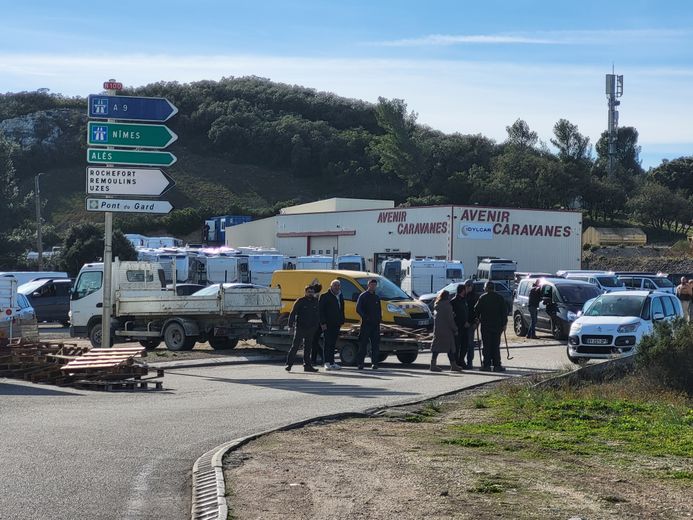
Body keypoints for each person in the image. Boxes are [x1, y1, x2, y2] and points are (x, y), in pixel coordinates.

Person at [474, 281, 508, 372]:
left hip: (486, 326)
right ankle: (497, 365)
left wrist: (477, 318)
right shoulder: (499, 298)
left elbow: (476, 310)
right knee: (495, 346)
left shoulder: (483, 298)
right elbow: (504, 312)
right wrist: (504, 324)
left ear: (486, 288)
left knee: (486, 346)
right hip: (497, 326)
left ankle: (486, 365)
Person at [285, 285, 320, 372]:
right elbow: (293, 313)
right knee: (295, 346)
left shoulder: (316, 301)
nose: (310, 293)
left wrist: (316, 325)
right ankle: (289, 365)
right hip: (300, 328)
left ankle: (307, 366)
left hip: (311, 328)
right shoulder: (300, 301)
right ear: (305, 292)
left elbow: (318, 314)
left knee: (308, 348)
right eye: (309, 292)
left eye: (312, 292)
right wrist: (290, 326)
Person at [431, 290, 463, 372]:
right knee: (450, 348)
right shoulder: (447, 306)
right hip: (447, 330)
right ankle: (453, 365)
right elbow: (450, 320)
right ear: (447, 297)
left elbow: (440, 316)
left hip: (438, 330)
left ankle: (433, 364)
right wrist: (455, 329)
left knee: (436, 348)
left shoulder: (437, 304)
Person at [319, 279, 345, 370]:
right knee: (327, 343)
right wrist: (322, 323)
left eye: (338, 285)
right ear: (331, 286)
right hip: (327, 324)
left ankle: (332, 362)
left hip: (336, 324)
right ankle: (326, 362)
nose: (337, 287)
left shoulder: (340, 295)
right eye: (335, 285)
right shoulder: (325, 296)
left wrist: (342, 321)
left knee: (333, 343)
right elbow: (320, 311)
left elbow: (341, 309)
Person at [356, 278, 382, 370]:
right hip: (366, 325)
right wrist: (365, 317)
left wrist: (379, 319)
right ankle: (360, 363)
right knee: (363, 344)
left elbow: (379, 310)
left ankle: (374, 363)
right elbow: (358, 309)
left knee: (375, 345)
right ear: (368, 285)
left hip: (375, 325)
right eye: (372, 285)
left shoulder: (376, 297)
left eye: (375, 285)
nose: (373, 286)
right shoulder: (363, 296)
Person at [449, 284, 470, 367]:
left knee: (465, 345)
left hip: (465, 327)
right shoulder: (454, 301)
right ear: (462, 290)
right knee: (457, 345)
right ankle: (456, 362)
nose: (466, 291)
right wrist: (462, 322)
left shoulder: (464, 300)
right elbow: (453, 315)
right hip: (458, 327)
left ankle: (461, 360)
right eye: (465, 289)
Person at [464, 279, 479, 369]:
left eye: (469, 286)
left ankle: (470, 361)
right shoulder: (462, 296)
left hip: (471, 323)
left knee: (470, 344)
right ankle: (461, 361)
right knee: (463, 343)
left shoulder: (476, 297)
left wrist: (476, 322)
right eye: (466, 286)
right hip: (463, 323)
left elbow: (478, 311)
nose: (467, 287)